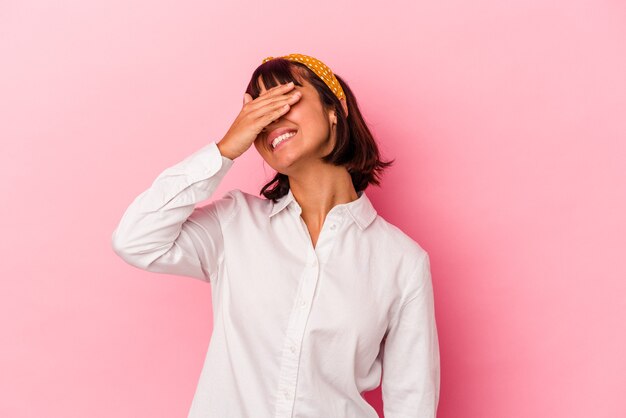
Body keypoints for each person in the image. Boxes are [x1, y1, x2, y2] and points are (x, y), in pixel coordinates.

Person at [111, 53, 440, 418]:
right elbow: (135, 239)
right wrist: (225, 150)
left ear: (335, 109)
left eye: (286, 97)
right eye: (260, 112)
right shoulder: (235, 224)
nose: (271, 119)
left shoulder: (402, 262)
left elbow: (413, 403)